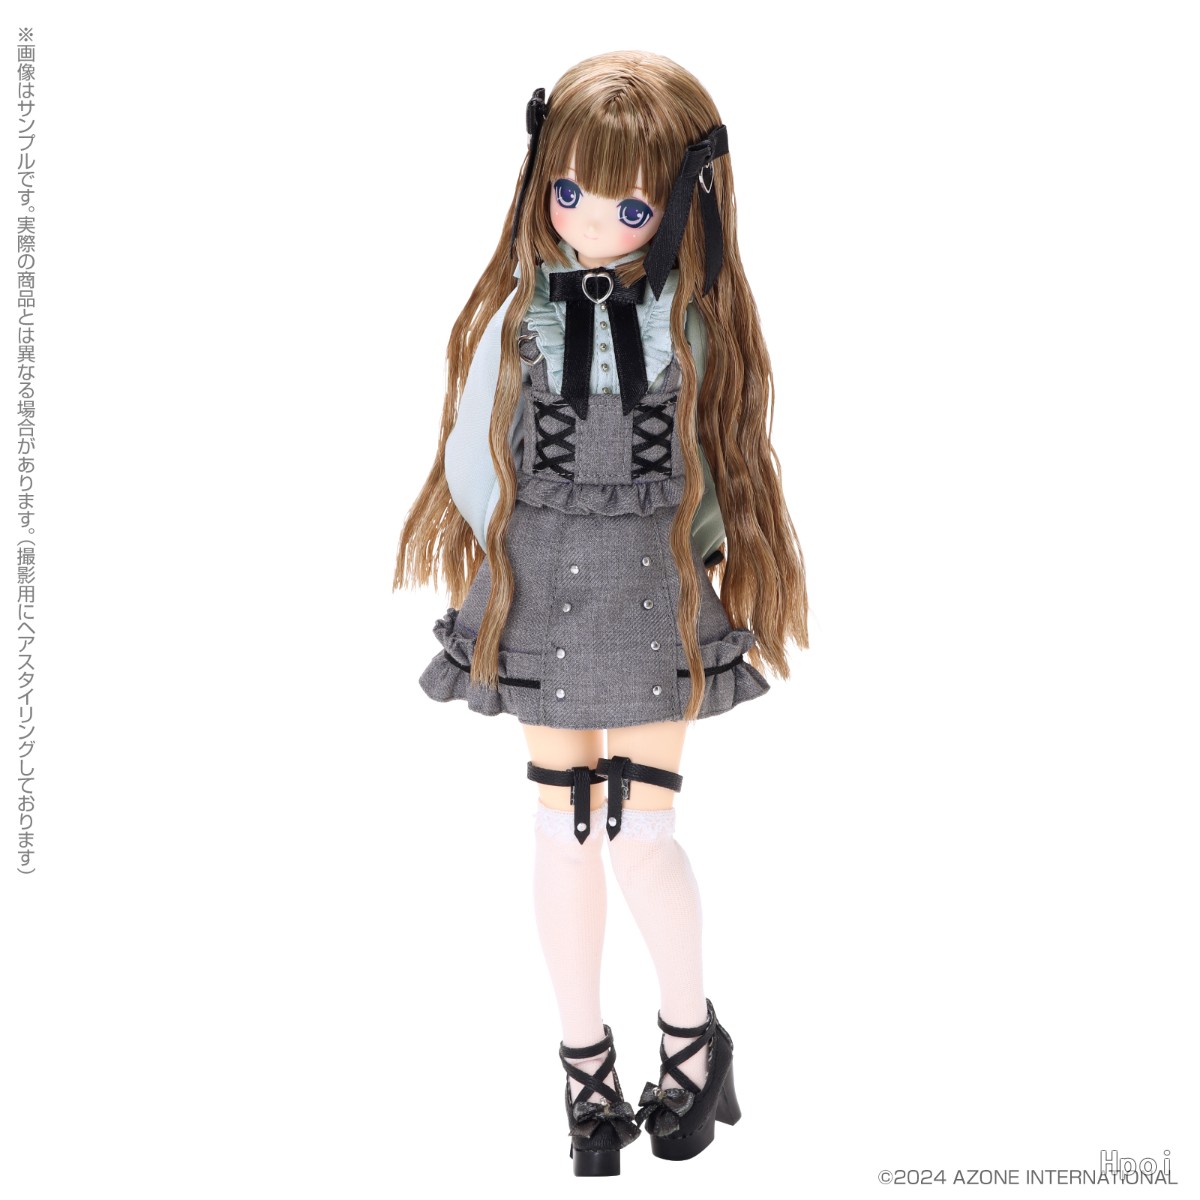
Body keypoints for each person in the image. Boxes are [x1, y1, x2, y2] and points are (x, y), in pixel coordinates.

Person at [393, 49, 809, 1175]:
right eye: (568, 192)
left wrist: (705, 555)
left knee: (641, 828)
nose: (589, 222)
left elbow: (717, 470)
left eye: (629, 205)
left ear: (679, 204)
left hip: (650, 594)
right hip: (541, 596)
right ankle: (586, 1068)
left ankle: (691, 1040)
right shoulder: (516, 323)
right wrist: (509, 545)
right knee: (564, 826)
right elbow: (472, 459)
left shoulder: (692, 328)